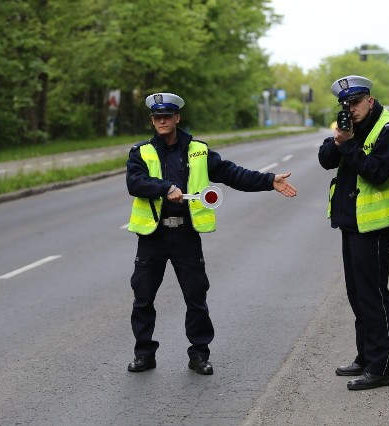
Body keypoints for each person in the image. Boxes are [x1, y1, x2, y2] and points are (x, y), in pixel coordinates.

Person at [126, 92, 297, 375]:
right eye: (157, 117)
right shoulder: (141, 152)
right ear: (152, 121)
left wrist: (269, 180)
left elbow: (231, 174)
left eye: (167, 116)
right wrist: (165, 188)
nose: (162, 121)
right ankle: (144, 354)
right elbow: (135, 182)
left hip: (186, 235)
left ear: (177, 118)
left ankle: (199, 355)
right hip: (153, 236)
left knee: (196, 297)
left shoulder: (198, 151)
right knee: (143, 297)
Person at [318, 76, 389, 390]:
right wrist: (338, 139)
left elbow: (378, 174)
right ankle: (365, 356)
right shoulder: (348, 126)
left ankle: (380, 368)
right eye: (345, 105)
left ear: (369, 100)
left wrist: (349, 145)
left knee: (373, 296)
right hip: (352, 221)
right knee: (357, 295)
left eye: (355, 103)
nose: (351, 109)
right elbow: (325, 160)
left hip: (376, 226)